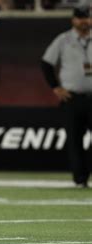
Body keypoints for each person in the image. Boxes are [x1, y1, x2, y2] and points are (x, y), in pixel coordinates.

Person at [41, 6, 92, 188]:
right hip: (72, 98)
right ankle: (80, 180)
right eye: (80, 18)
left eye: (86, 17)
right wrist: (56, 87)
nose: (83, 21)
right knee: (75, 141)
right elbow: (46, 63)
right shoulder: (63, 40)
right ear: (73, 20)